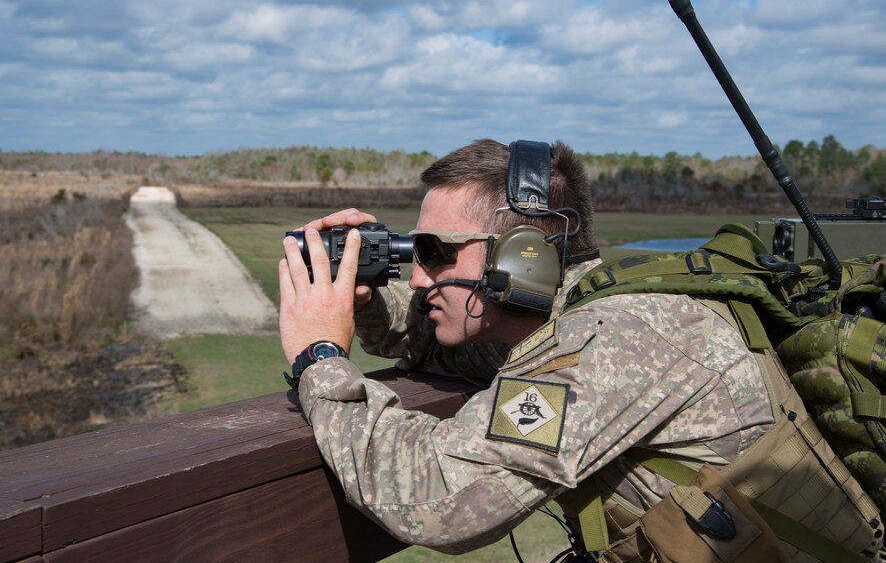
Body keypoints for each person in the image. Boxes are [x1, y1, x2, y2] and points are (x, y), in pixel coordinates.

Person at [278, 139, 874, 561]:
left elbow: (436, 499)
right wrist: (357, 296)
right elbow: (434, 342)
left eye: (435, 253)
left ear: (522, 257)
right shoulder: (562, 313)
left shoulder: (614, 341)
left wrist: (318, 357)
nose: (417, 279)